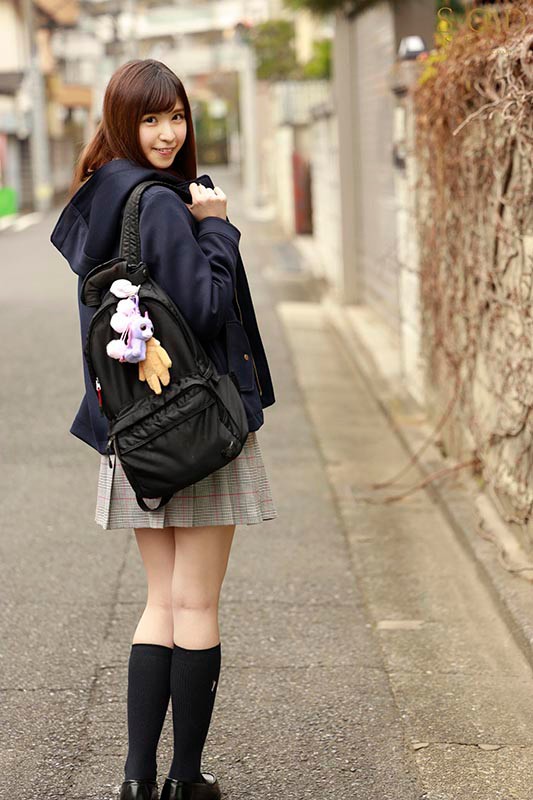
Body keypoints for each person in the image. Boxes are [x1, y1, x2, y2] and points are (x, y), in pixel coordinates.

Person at [50, 59, 277, 800]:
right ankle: (183, 780)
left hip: (135, 431)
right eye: (149, 119)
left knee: (160, 603)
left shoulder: (102, 197)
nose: (167, 132)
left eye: (176, 116)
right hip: (197, 426)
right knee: (195, 604)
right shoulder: (164, 204)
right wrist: (216, 229)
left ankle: (136, 778)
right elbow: (206, 310)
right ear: (123, 122)